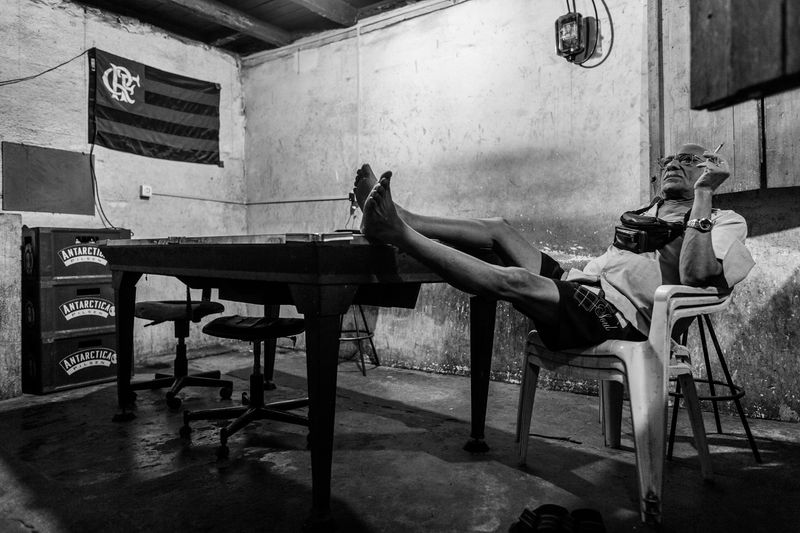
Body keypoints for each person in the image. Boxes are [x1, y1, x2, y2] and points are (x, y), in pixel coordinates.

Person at [353, 143, 754, 350]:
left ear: (708, 170)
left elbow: (698, 275)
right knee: (498, 230)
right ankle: (405, 217)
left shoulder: (722, 219)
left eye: (687, 160)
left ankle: (397, 233)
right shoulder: (648, 210)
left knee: (514, 280)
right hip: (586, 288)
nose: (672, 165)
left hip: (620, 318)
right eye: (668, 159)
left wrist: (702, 197)